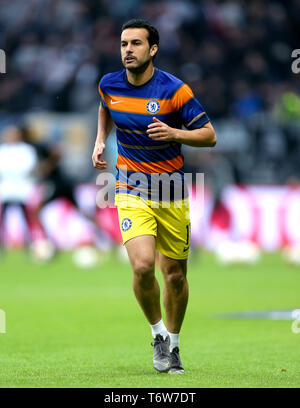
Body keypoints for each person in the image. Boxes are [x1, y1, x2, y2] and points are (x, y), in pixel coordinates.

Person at [92, 19, 216, 374]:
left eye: (135, 44)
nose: (127, 50)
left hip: (172, 191)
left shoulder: (175, 91)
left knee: (174, 274)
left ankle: (174, 345)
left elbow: (209, 136)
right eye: (123, 44)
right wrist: (100, 139)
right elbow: (106, 105)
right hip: (130, 187)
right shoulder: (109, 84)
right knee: (144, 266)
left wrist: (174, 131)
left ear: (153, 49)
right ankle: (158, 335)